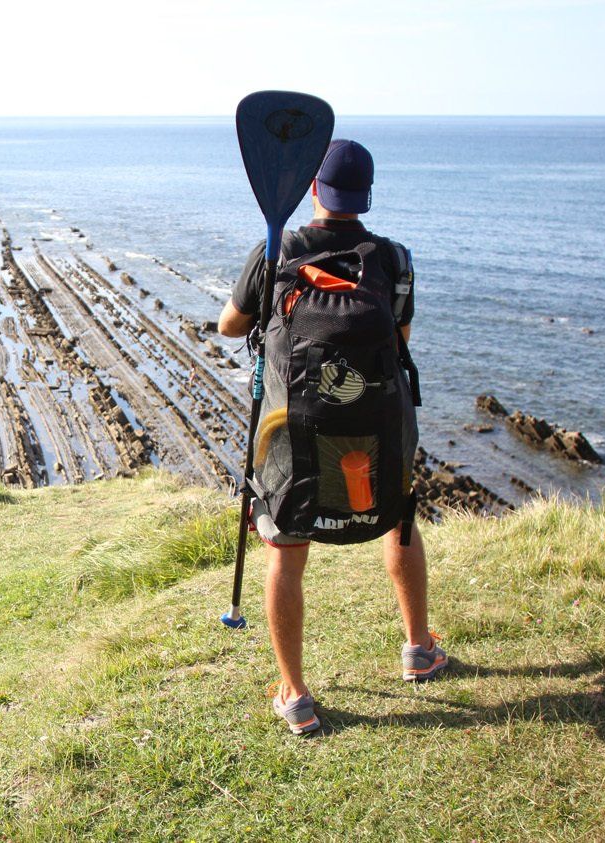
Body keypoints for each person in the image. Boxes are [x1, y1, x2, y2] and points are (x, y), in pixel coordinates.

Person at [217, 139, 447, 735]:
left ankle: (295, 694)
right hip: (378, 424)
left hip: (294, 427)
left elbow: (229, 325)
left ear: (312, 190)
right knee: (400, 521)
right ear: (366, 196)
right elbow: (401, 338)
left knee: (287, 552)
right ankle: (418, 648)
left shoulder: (278, 250)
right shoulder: (395, 258)